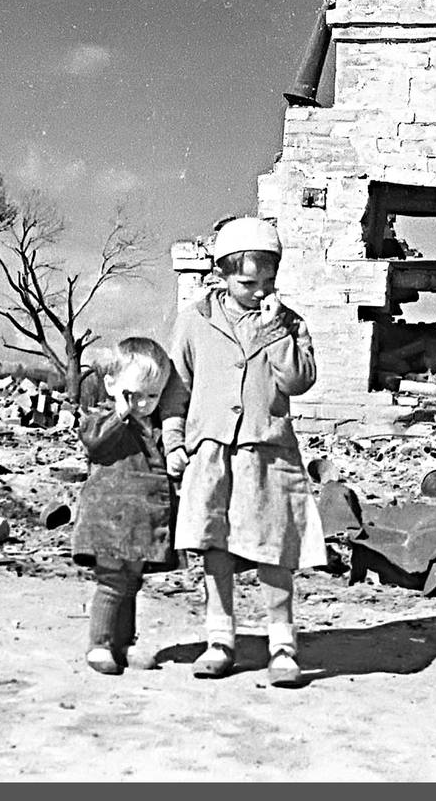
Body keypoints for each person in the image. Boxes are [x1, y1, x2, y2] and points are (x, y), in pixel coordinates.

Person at [161, 216, 327, 688]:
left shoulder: (289, 323)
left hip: (268, 454)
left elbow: (298, 380)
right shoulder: (195, 320)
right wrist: (174, 441)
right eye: (248, 283)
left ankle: (282, 645)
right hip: (211, 453)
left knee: (275, 549)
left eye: (268, 282)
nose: (260, 292)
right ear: (222, 274)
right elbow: (176, 391)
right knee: (215, 548)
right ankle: (220, 641)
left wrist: (275, 332)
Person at [72, 337, 178, 675]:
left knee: (132, 581)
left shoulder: (155, 427)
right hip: (108, 517)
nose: (142, 404)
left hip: (140, 520)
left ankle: (123, 644)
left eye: (153, 396)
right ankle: (99, 644)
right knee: (111, 580)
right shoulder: (101, 419)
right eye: (134, 395)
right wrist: (119, 412)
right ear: (111, 385)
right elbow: (93, 443)